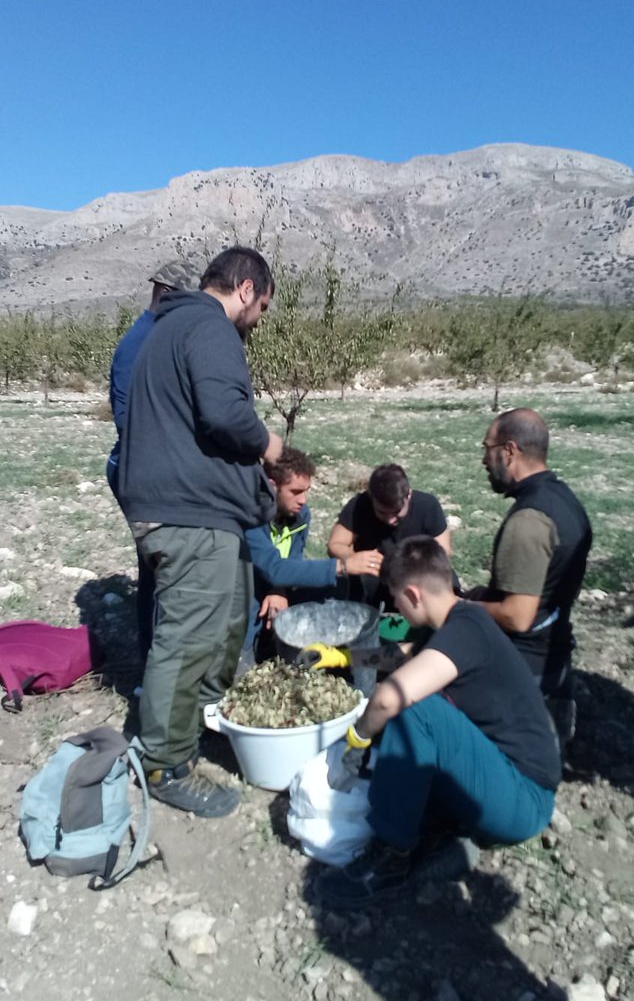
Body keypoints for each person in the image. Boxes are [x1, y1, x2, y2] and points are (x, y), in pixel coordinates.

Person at [118, 246, 284, 817]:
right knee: (188, 638)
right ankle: (165, 761)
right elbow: (224, 413)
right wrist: (270, 444)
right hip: (187, 515)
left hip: (194, 512)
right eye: (261, 306)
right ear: (244, 289)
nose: (257, 321)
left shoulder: (170, 326)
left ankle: (200, 720)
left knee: (222, 621)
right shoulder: (210, 327)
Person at [314, 537, 561, 907]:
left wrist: (357, 741)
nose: (395, 605)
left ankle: (390, 857)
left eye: (396, 597)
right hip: (500, 777)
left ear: (413, 595)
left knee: (412, 707)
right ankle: (437, 825)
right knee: (412, 701)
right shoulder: (457, 621)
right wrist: (342, 656)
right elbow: (400, 657)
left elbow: (387, 698)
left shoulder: (466, 631)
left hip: (523, 800)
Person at [466, 408, 592, 745]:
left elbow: (517, 616)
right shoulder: (565, 500)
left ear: (509, 451)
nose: (483, 459)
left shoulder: (530, 520)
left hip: (524, 675)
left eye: (486, 448)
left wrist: (464, 605)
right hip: (555, 660)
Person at [107, 259, 199, 666]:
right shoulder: (138, 343)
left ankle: (158, 658)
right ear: (167, 293)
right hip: (139, 471)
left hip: (153, 469)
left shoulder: (158, 338)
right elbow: (128, 419)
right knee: (159, 567)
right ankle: (153, 663)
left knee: (157, 566)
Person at [242, 446, 382, 665]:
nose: (303, 500)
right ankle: (250, 653)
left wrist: (279, 589)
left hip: (274, 585)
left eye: (307, 490)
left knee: (336, 588)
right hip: (246, 594)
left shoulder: (301, 515)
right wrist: (342, 566)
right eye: (296, 492)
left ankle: (318, 653)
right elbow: (273, 568)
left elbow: (293, 561)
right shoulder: (250, 517)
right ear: (272, 487)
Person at [327, 464, 452, 609]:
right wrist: (355, 558)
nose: (390, 520)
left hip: (417, 575)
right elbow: (335, 545)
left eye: (397, 512)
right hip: (374, 578)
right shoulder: (359, 505)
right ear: (371, 497)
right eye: (382, 512)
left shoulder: (427, 505)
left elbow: (444, 552)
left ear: (409, 495)